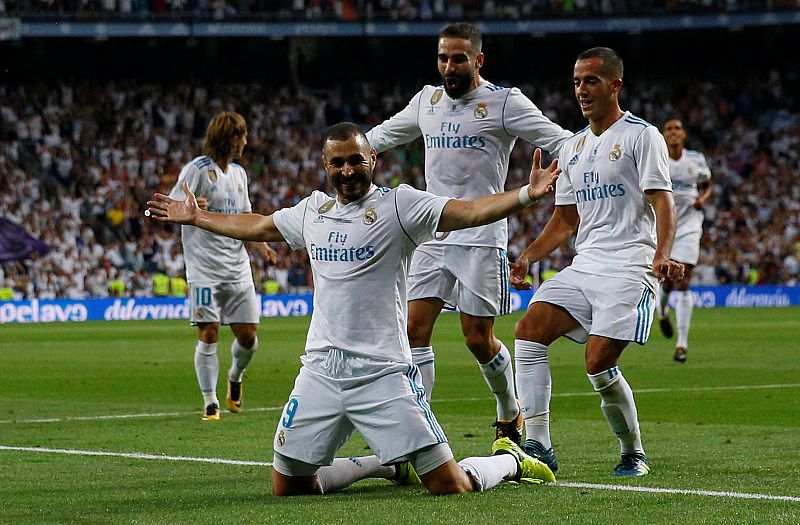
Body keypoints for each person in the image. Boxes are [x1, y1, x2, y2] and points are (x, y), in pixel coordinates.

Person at [147, 122, 560, 496]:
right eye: (338, 163)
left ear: (372, 159)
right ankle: (384, 464)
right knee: (289, 486)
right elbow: (257, 225)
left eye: (356, 161)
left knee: (449, 485)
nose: (348, 171)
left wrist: (527, 194)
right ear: (326, 165)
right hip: (321, 372)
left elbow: (468, 212)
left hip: (383, 373)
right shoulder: (313, 212)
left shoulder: (400, 206)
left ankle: (511, 461)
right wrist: (199, 217)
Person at [365, 22, 572, 443]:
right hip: (431, 233)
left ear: (478, 59)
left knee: (477, 339)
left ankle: (509, 408)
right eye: (443, 58)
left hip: (481, 235)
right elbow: (378, 137)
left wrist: (592, 166)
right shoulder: (427, 101)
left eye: (458, 58)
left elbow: (562, 141)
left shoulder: (504, 102)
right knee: (413, 331)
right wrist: (345, 151)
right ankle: (419, 426)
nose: (448, 66)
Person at [509, 48, 684, 477]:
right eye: (576, 82)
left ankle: (632, 451)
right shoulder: (572, 147)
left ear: (615, 85)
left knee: (597, 361)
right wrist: (528, 256)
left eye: (590, 81)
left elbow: (662, 201)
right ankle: (539, 444)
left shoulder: (643, 136)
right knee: (528, 332)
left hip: (630, 267)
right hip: (585, 266)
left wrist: (661, 255)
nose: (581, 91)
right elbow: (566, 219)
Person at [167, 111, 277, 421]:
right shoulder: (197, 170)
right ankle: (209, 402)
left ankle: (235, 378)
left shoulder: (240, 174)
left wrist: (263, 246)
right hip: (204, 267)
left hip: (237, 266)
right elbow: (169, 208)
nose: (245, 141)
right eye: (241, 135)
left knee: (248, 337)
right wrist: (189, 207)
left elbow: (246, 217)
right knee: (209, 331)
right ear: (228, 138)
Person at [655, 117, 713, 363]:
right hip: (666, 225)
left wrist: (704, 198)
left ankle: (682, 344)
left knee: (684, 279)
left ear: (684, 134)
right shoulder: (658, 160)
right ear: (664, 135)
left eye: (677, 128)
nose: (674, 132)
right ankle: (662, 311)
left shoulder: (696, 159)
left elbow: (707, 184)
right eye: (669, 129)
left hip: (690, 225)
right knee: (668, 281)